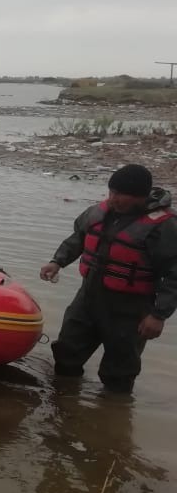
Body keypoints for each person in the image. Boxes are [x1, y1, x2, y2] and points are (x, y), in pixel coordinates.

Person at [40, 164, 177, 393]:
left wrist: (158, 315)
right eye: (111, 192)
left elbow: (174, 274)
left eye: (120, 194)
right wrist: (57, 261)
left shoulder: (164, 227)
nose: (113, 199)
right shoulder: (98, 212)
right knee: (66, 352)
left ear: (140, 197)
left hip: (130, 308)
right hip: (88, 298)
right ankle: (64, 407)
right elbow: (79, 238)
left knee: (119, 373)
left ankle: (115, 416)